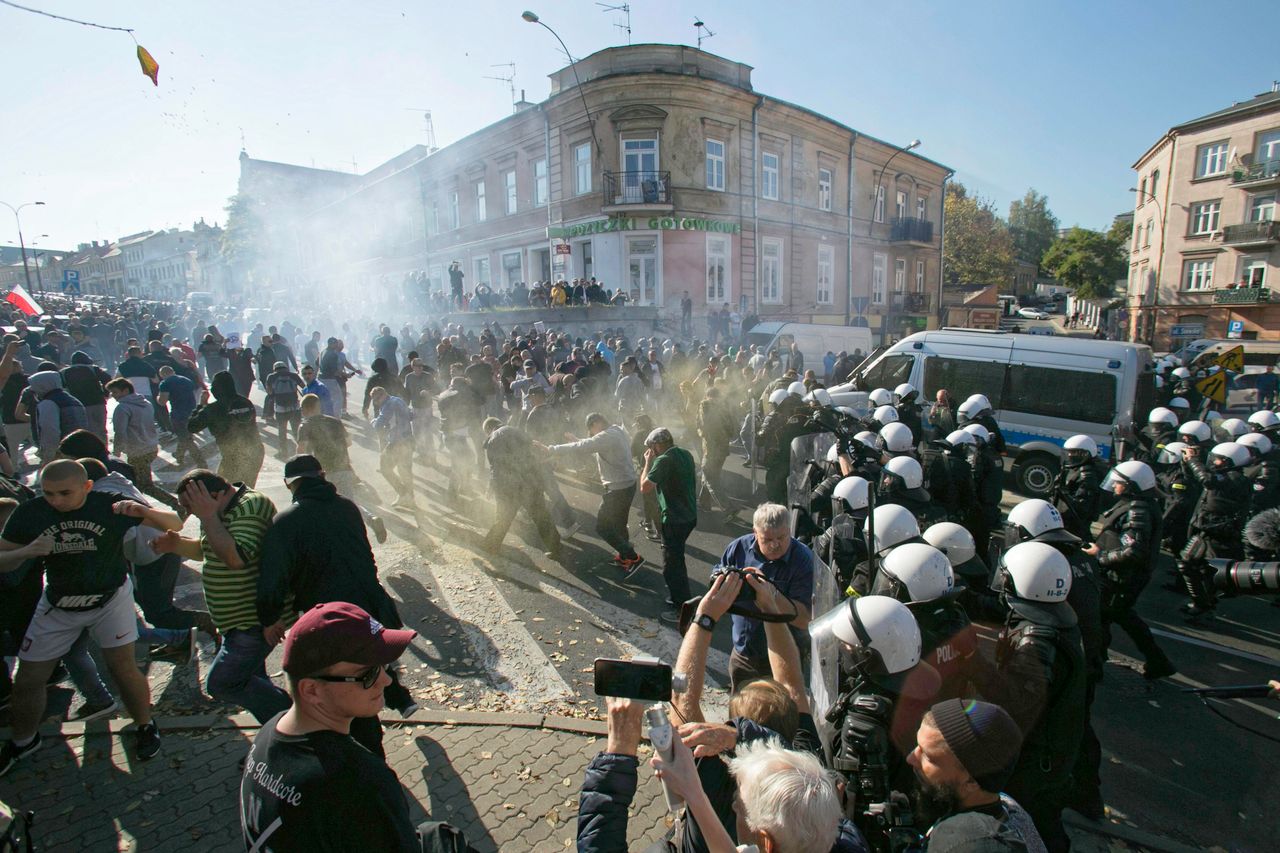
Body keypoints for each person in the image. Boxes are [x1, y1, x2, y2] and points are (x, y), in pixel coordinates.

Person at [240, 601, 470, 852]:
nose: (386, 679)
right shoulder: (358, 782)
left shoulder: (268, 734)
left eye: (383, 665)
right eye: (367, 674)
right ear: (312, 690)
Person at [0, 460, 184, 773]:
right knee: (29, 678)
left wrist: (145, 513)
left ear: (87, 487)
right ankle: (24, 740)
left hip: (109, 598)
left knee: (122, 666)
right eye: (49, 493)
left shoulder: (108, 504)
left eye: (64, 493)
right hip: (59, 603)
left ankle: (144, 724)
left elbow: (176, 523)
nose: (56, 501)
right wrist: (26, 552)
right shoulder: (32, 511)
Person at [257, 455, 416, 736]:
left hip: (332, 612)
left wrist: (270, 616)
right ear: (322, 475)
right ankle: (399, 699)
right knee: (367, 660)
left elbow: (274, 575)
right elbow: (366, 554)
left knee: (349, 679)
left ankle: (369, 745)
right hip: (368, 599)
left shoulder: (286, 521)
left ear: (290, 484)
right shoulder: (347, 507)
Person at [149, 469, 288, 723]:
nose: (190, 513)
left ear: (214, 495)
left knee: (222, 683)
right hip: (236, 623)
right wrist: (175, 545)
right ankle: (277, 737)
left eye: (191, 506)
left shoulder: (250, 506)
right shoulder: (215, 510)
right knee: (254, 681)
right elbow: (211, 547)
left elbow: (235, 557)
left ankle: (294, 722)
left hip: (253, 622)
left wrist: (209, 516)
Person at [978, 542, 1085, 853]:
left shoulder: (1037, 643)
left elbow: (1013, 702)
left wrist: (974, 667)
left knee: (1035, 822)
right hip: (1056, 748)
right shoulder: (1057, 620)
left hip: (1037, 761)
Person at [909, 700, 1047, 853]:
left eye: (928, 757)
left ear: (971, 781)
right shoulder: (1004, 803)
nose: (911, 758)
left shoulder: (978, 844)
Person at [717, 503, 814, 691]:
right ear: (755, 532)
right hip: (743, 655)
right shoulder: (737, 548)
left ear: (789, 530)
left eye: (782, 537)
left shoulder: (803, 560)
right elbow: (716, 580)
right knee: (739, 715)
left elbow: (804, 619)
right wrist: (730, 580)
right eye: (767, 539)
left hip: (782, 659)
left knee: (781, 716)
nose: (775, 544)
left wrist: (769, 592)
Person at [545, 413, 643, 578]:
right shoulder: (616, 430)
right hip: (627, 485)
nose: (591, 434)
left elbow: (589, 445)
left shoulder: (607, 436)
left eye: (591, 430)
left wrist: (551, 449)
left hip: (617, 489)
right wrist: (577, 440)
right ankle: (625, 556)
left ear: (596, 423)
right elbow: (591, 445)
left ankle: (633, 558)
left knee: (602, 527)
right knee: (619, 523)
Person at [295, 393, 385, 542]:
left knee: (322, 505)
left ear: (305, 409)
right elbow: (349, 442)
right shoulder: (334, 421)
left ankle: (334, 538)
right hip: (344, 467)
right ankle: (370, 519)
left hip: (323, 472)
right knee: (349, 502)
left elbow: (301, 450)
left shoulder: (305, 425)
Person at [479, 417, 561, 559]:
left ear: (488, 429)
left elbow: (496, 468)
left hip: (511, 486)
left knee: (503, 518)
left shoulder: (493, 440)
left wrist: (491, 487)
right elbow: (534, 451)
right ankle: (556, 547)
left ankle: (490, 546)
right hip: (531, 481)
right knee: (541, 516)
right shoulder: (517, 430)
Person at [640, 427, 697, 622]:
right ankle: (678, 598)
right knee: (677, 558)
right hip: (689, 515)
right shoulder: (685, 454)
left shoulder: (663, 460)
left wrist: (648, 463)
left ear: (657, 446)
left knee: (672, 565)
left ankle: (682, 608)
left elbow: (644, 486)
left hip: (674, 518)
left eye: (652, 447)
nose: (651, 451)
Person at [188, 371, 266, 488]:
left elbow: (192, 427)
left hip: (234, 456)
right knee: (246, 487)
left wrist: (201, 405)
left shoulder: (214, 408)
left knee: (226, 490)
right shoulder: (245, 402)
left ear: (216, 388)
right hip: (255, 451)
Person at [369, 386, 416, 509]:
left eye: (376, 400)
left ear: (382, 396)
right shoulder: (398, 400)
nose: (376, 403)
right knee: (405, 471)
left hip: (396, 442)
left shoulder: (388, 405)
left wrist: (373, 421)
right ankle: (409, 498)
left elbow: (379, 424)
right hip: (409, 439)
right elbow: (411, 415)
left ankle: (403, 493)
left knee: (385, 468)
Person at [29, 369, 89, 464]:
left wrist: (50, 456)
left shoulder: (48, 403)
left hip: (62, 453)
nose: (33, 391)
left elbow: (50, 430)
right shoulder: (74, 400)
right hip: (80, 447)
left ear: (42, 386)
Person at [157, 365, 206, 468]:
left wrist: (157, 398)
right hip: (191, 412)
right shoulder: (186, 380)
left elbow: (162, 402)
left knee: (186, 439)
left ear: (163, 375)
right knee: (184, 436)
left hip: (178, 414)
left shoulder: (165, 383)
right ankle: (179, 455)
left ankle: (200, 461)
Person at [61, 351, 111, 442]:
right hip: (98, 402)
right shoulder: (93, 369)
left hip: (78, 405)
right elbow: (108, 379)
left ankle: (90, 450)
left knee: (85, 430)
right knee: (101, 429)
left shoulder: (64, 372)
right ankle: (103, 449)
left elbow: (62, 387)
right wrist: (105, 394)